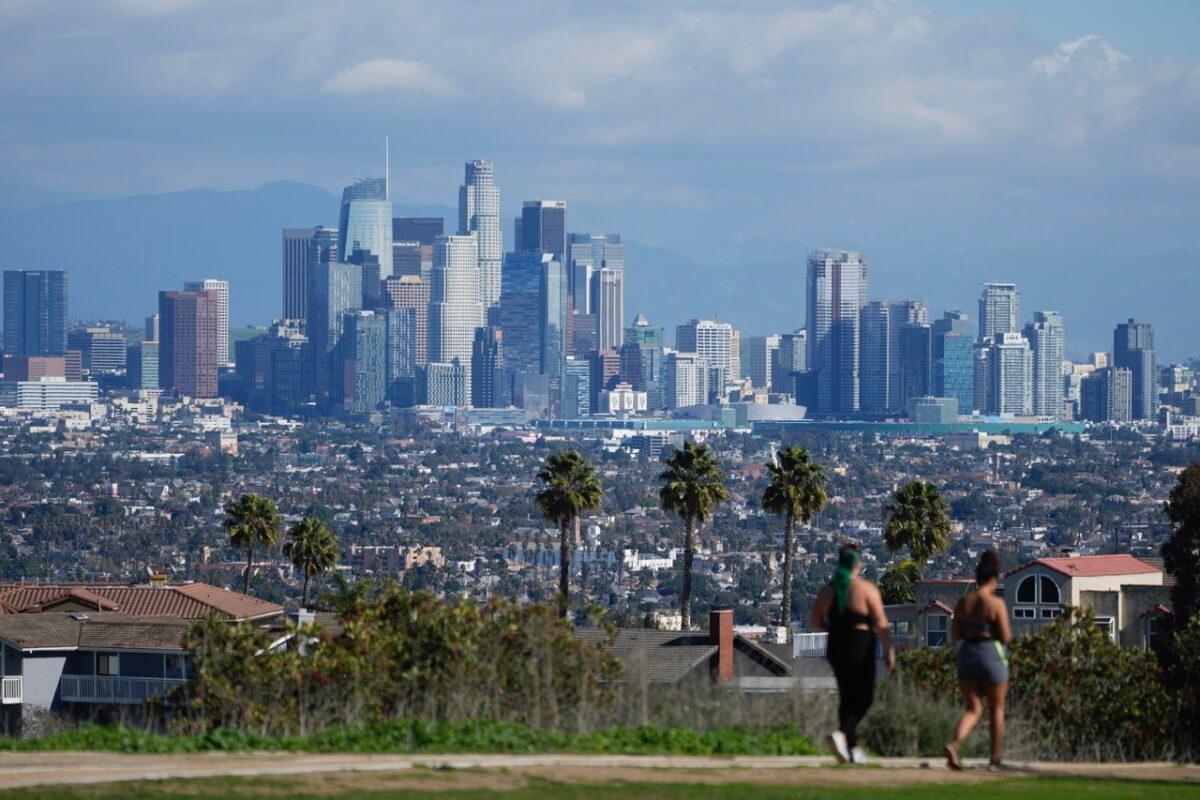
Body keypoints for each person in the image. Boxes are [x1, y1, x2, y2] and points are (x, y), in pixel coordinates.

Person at [810, 543, 895, 764]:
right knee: (865, 696)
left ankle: (852, 749)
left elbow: (815, 622)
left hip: (835, 646)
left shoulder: (827, 591)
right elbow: (880, 622)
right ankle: (842, 735)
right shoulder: (865, 589)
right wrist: (889, 650)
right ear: (858, 563)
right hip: (859, 645)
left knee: (846, 696)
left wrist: (835, 629)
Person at [944, 550, 1012, 771]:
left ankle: (954, 744)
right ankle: (994, 759)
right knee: (996, 709)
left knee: (973, 708)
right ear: (994, 579)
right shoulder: (996, 604)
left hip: (968, 655)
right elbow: (1006, 636)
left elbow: (955, 635)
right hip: (991, 654)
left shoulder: (964, 603)